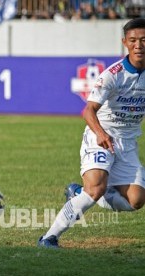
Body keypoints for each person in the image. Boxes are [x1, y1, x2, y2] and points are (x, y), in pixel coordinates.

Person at [38, 18, 145, 248]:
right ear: (125, 42)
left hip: (127, 142)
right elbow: (88, 111)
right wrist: (100, 133)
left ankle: (79, 193)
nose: (139, 45)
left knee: (136, 201)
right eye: (134, 40)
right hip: (101, 135)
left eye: (144, 40)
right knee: (95, 188)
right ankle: (49, 237)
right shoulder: (112, 75)